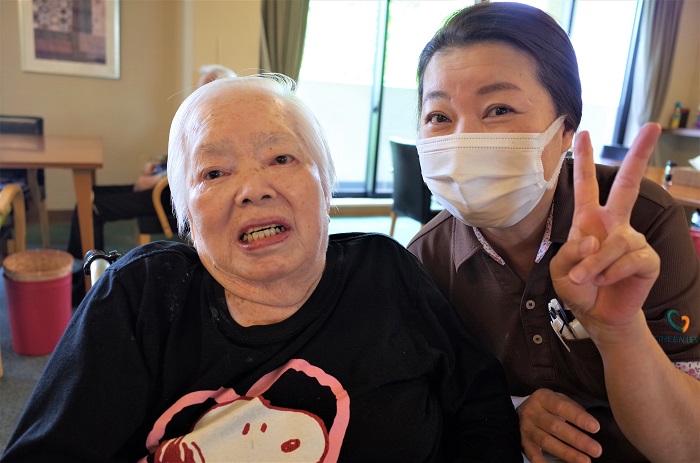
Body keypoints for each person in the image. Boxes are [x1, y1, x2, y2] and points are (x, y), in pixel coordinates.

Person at [0, 73, 522, 461]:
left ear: (326, 185)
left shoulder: (386, 274)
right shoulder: (144, 296)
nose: (253, 188)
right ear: (186, 215)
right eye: (214, 172)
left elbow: (479, 405)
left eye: (281, 158)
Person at [407, 3, 700, 463]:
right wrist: (509, 410)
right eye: (439, 117)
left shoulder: (641, 224)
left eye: (498, 109)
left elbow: (687, 446)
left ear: (565, 130)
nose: (463, 141)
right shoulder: (424, 259)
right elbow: (431, 398)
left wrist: (620, 331)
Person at [67, 64, 236, 305]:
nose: (197, 94)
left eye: (204, 89)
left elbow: (199, 169)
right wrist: (159, 163)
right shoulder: (203, 118)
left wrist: (156, 179)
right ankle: (77, 272)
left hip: (168, 196)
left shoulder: (222, 126)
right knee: (88, 197)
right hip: (163, 185)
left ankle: (84, 285)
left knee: (91, 207)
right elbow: (183, 155)